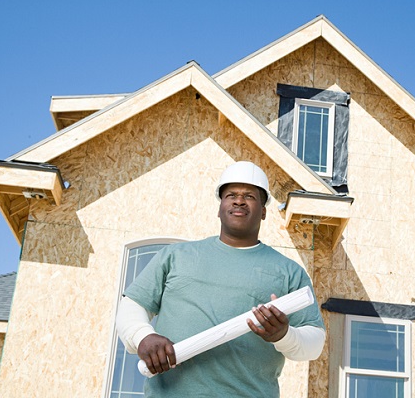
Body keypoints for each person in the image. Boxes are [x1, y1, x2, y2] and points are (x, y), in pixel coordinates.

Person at [116, 161, 325, 397]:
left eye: (249, 196)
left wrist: (284, 335)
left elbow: (315, 342)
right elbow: (132, 306)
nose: (239, 200)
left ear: (264, 211)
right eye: (231, 195)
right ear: (220, 207)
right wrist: (143, 336)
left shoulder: (289, 272)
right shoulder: (176, 256)